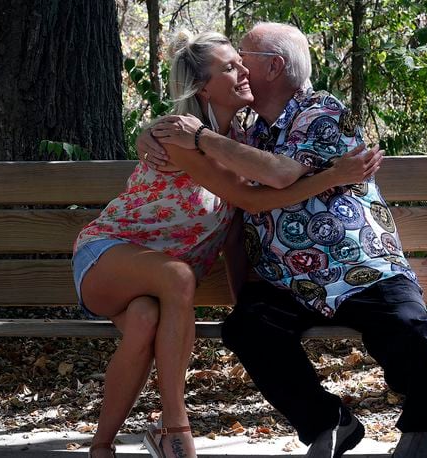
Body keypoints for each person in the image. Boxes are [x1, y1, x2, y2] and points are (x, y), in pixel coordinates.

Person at [144, 22, 427, 458]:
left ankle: (421, 424)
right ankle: (329, 422)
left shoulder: (320, 111)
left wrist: (199, 137)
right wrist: (148, 136)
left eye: (244, 57)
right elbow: (204, 152)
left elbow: (279, 173)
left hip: (360, 266)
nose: (240, 67)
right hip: (287, 281)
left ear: (274, 67)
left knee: (408, 329)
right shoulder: (248, 130)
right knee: (247, 330)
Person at [75, 30, 383, 458]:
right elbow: (252, 197)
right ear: (203, 86)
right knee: (178, 275)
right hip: (107, 257)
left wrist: (246, 301)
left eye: (243, 63)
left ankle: (101, 447)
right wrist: (330, 177)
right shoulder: (179, 138)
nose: (243, 72)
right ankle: (176, 429)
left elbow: (237, 230)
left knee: (146, 319)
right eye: (229, 67)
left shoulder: (241, 143)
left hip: (160, 289)